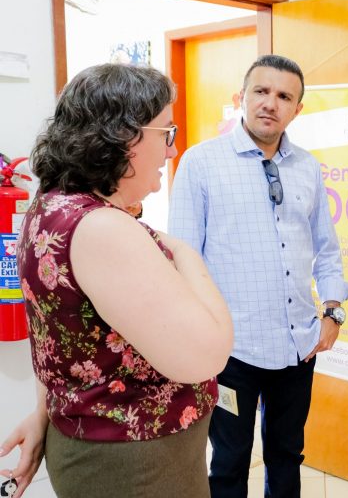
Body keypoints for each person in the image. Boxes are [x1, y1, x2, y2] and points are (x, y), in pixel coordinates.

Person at [0, 63, 233, 498]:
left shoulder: (51, 205)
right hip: (137, 462)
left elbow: (63, 340)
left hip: (106, 449)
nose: (171, 151)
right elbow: (207, 355)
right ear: (124, 137)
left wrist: (43, 411)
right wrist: (184, 251)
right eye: (166, 133)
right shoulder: (102, 228)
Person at [168, 54, 348, 498]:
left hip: (298, 344)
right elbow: (184, 258)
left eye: (284, 96)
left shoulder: (307, 167)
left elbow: (327, 249)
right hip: (231, 350)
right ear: (241, 98)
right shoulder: (201, 162)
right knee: (229, 461)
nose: (271, 103)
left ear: (297, 109)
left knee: (287, 455)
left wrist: (333, 312)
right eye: (261, 91)